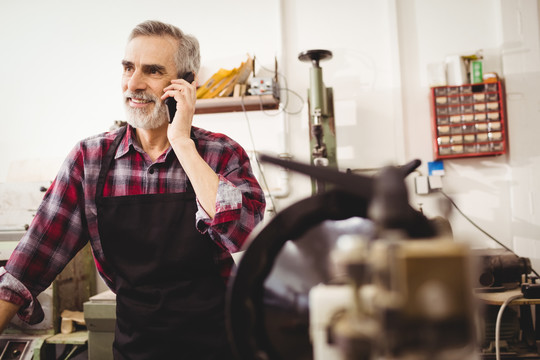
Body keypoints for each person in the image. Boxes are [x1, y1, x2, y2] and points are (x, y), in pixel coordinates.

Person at [0, 20, 266, 359]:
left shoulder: (221, 154)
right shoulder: (89, 161)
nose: (134, 83)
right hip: (137, 347)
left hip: (221, 344)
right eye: (128, 67)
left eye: (152, 71)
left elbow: (240, 235)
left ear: (184, 84)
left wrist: (182, 143)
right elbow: (31, 261)